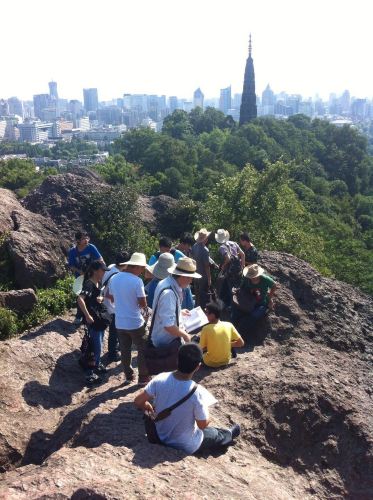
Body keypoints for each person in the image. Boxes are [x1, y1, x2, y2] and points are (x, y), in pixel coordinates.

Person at [134, 343, 240, 454]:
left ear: (177, 360)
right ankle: (228, 434)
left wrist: (147, 405)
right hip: (185, 444)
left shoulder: (160, 378)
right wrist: (207, 414)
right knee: (213, 433)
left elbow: (137, 401)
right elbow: (202, 425)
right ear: (198, 367)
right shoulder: (196, 392)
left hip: (159, 435)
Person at [109, 252, 150, 385]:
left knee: (125, 350)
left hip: (120, 321)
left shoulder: (114, 278)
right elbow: (143, 303)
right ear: (136, 266)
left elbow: (111, 296)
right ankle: (143, 377)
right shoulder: (137, 281)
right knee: (142, 348)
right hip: (135, 322)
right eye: (142, 268)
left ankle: (128, 376)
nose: (142, 271)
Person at [151, 257, 201, 348]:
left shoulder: (165, 282)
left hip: (163, 337)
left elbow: (162, 309)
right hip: (166, 342)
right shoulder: (169, 293)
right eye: (190, 278)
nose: (191, 281)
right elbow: (168, 326)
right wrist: (185, 335)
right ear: (182, 276)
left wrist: (179, 311)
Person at [77, 261, 110, 385]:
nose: (104, 273)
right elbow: (80, 299)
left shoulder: (98, 282)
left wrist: (100, 299)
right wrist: (87, 315)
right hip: (93, 320)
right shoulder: (89, 284)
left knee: (99, 343)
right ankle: (89, 374)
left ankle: (96, 364)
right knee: (95, 346)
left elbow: (96, 297)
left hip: (99, 319)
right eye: (102, 270)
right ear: (96, 270)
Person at [68, 231, 105, 326]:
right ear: (78, 240)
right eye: (84, 238)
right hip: (80, 277)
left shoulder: (91, 247)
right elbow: (71, 265)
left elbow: (100, 258)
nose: (86, 240)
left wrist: (101, 269)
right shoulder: (72, 251)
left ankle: (90, 315)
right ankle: (79, 316)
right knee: (81, 296)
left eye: (87, 238)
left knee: (93, 296)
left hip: (92, 276)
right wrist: (79, 271)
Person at [102, 251, 131, 363]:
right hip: (112, 308)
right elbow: (110, 294)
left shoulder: (110, 267)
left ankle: (115, 349)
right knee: (114, 332)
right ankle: (112, 353)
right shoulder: (117, 275)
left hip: (106, 305)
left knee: (115, 330)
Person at [231, 264, 277, 332]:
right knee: (235, 312)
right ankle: (231, 328)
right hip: (248, 300)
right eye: (251, 276)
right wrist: (237, 290)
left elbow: (274, 285)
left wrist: (270, 298)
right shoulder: (246, 278)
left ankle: (240, 333)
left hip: (261, 303)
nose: (252, 278)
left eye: (254, 276)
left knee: (252, 317)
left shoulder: (265, 279)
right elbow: (242, 287)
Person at [200, 300, 244, 368]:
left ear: (212, 315)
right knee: (226, 340)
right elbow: (241, 343)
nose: (205, 314)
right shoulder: (229, 325)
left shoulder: (206, 329)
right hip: (226, 360)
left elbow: (201, 349)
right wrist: (226, 344)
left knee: (195, 343)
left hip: (210, 362)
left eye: (206, 312)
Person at [215, 229, 245, 307]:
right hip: (238, 269)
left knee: (230, 288)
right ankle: (240, 304)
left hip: (230, 271)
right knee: (238, 287)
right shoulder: (234, 243)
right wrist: (243, 267)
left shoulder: (222, 247)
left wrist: (223, 267)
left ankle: (232, 306)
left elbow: (228, 258)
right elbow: (243, 254)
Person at [191, 228, 212, 310]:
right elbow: (207, 266)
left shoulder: (194, 246)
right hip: (203, 276)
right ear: (205, 239)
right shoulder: (205, 250)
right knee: (203, 295)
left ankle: (197, 308)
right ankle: (202, 311)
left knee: (197, 294)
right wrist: (209, 278)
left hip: (196, 274)